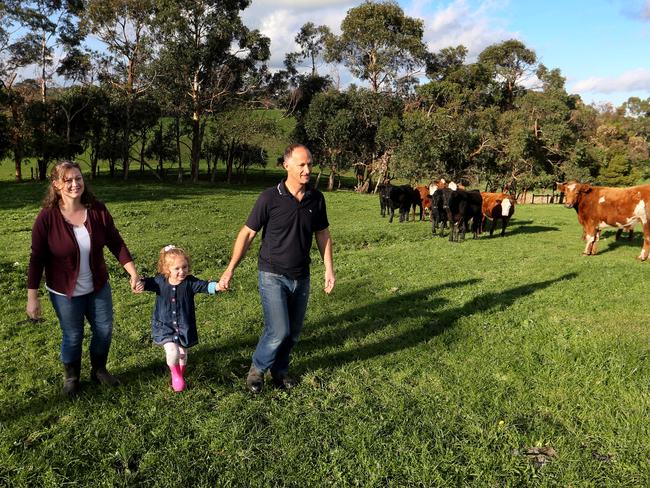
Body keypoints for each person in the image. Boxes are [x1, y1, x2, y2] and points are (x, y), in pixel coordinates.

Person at [219, 144, 335, 394]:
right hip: (272, 274)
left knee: (292, 333)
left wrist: (329, 269)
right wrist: (230, 269)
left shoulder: (316, 198)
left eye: (310, 164)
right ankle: (257, 369)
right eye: (301, 165)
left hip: (301, 276)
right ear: (287, 166)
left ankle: (279, 372)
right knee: (278, 330)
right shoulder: (269, 198)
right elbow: (247, 234)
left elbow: (322, 234)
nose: (307, 169)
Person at [26, 160, 140, 397]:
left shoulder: (96, 209)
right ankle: (72, 377)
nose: (75, 184)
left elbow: (115, 241)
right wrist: (32, 297)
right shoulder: (47, 218)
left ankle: (99, 370)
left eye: (78, 178)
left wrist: (132, 272)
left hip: (97, 285)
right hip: (64, 291)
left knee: (104, 329)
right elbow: (37, 259)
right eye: (68, 180)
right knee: (73, 335)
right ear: (56, 185)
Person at [136, 245, 222, 392]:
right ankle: (176, 375)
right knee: (173, 352)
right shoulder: (159, 281)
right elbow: (146, 283)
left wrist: (218, 286)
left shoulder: (190, 282)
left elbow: (204, 286)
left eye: (185, 267)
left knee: (182, 353)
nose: (182, 271)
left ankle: (180, 375)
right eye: (177, 269)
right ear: (167, 269)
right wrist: (140, 284)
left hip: (184, 326)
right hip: (164, 326)